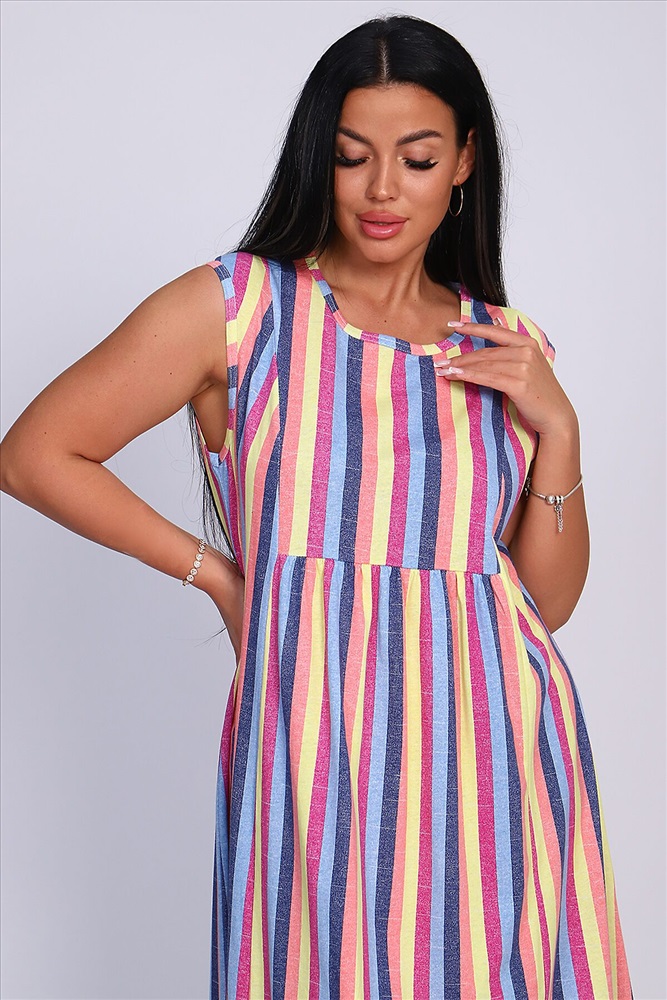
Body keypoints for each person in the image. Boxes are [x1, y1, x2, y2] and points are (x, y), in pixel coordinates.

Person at [0, 13, 632, 999]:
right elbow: (36, 454)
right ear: (316, 157)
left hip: (497, 751)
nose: (381, 189)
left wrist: (561, 429)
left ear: (464, 162)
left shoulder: (506, 345)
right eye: (350, 155)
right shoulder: (238, 308)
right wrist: (220, 578)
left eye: (416, 159)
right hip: (316, 741)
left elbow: (538, 605)